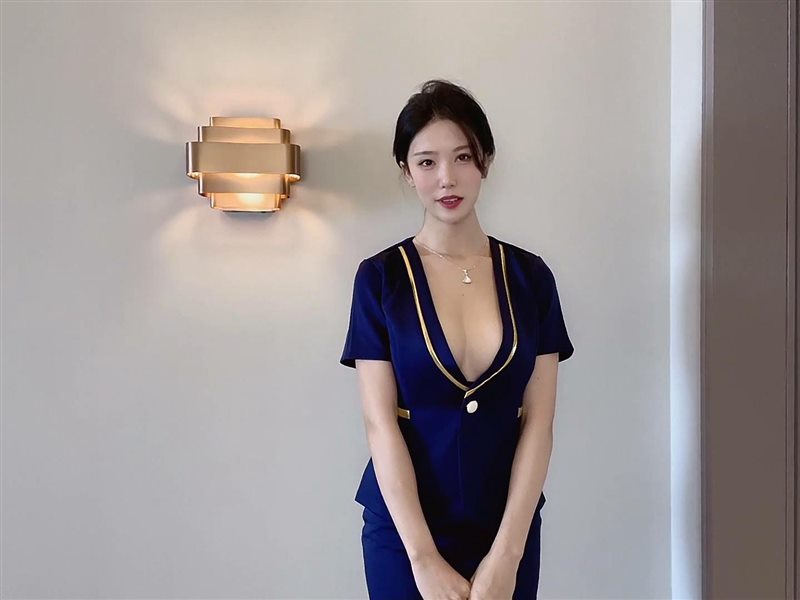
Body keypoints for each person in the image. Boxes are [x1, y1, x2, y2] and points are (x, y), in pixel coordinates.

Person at [339, 79, 575, 600]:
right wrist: (423, 560)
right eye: (426, 162)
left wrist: (508, 554)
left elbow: (539, 421)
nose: (447, 177)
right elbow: (380, 424)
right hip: (406, 533)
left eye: (463, 156)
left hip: (506, 527)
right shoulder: (381, 278)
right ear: (407, 170)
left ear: (484, 160)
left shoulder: (531, 277)